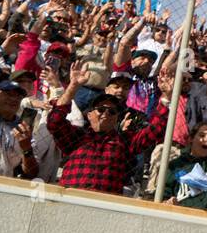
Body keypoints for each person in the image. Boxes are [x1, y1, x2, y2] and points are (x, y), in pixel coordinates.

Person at [47, 61, 171, 194]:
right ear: (89, 115)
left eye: (112, 112)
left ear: (117, 118)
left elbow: (156, 129)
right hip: (70, 199)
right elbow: (55, 121)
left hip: (105, 206)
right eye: (101, 109)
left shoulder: (125, 142)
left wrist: (166, 95)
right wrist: (73, 86)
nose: (106, 113)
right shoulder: (77, 137)